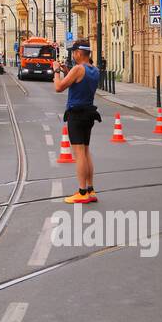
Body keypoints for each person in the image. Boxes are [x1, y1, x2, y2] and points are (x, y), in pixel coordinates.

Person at [52, 39, 100, 203]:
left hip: (76, 114)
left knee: (79, 154)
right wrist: (67, 71)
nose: (72, 55)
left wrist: (57, 72)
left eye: (73, 52)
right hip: (89, 114)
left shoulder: (78, 69)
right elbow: (79, 82)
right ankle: (90, 189)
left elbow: (58, 87)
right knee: (86, 152)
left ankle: (81, 192)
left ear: (79, 53)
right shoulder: (94, 69)